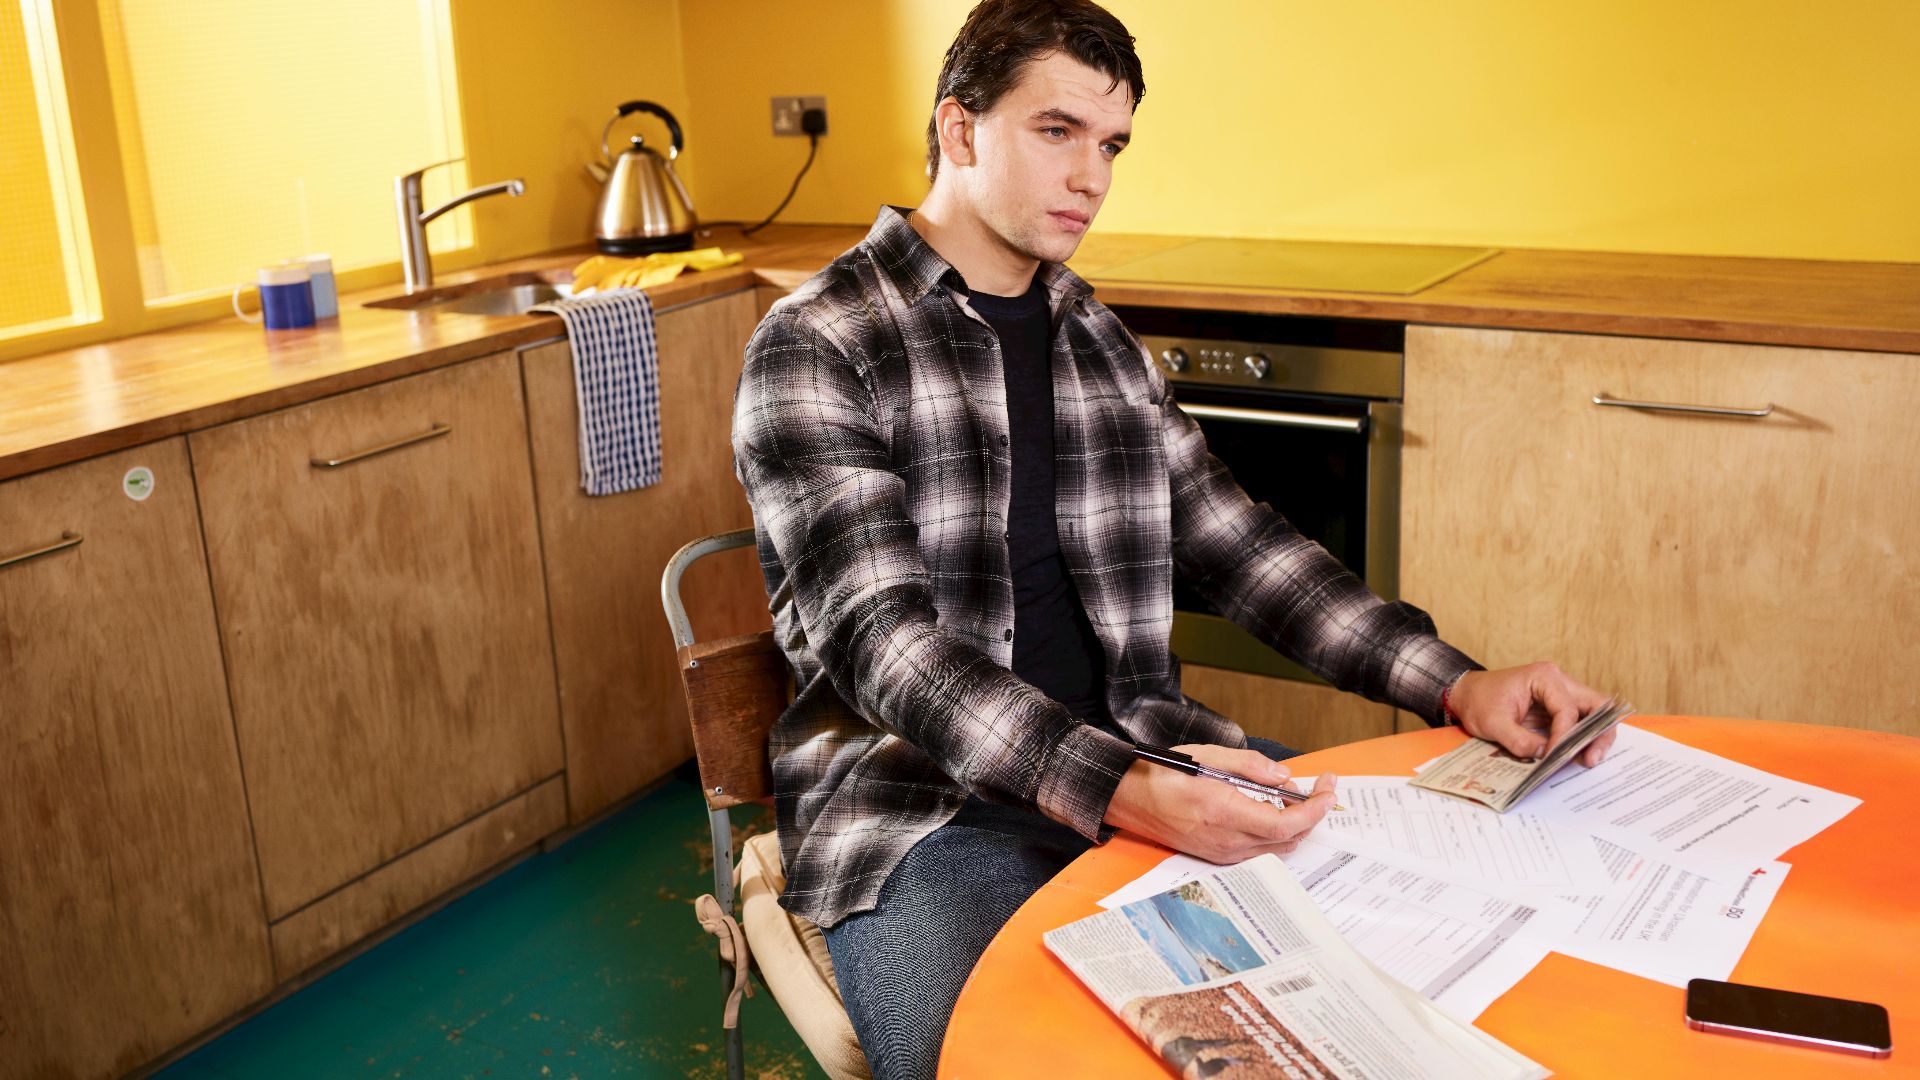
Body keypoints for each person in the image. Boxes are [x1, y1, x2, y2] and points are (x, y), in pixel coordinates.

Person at [730, 1, 1613, 1075]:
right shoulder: (820, 341)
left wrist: (1455, 683)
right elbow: (888, 649)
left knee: (1455, 979)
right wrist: (1124, 790)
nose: (1093, 177)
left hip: (1154, 756)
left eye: (1111, 145)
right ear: (960, 131)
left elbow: (1244, 548)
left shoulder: (1096, 338)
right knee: (989, 1062)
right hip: (928, 819)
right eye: (1056, 131)